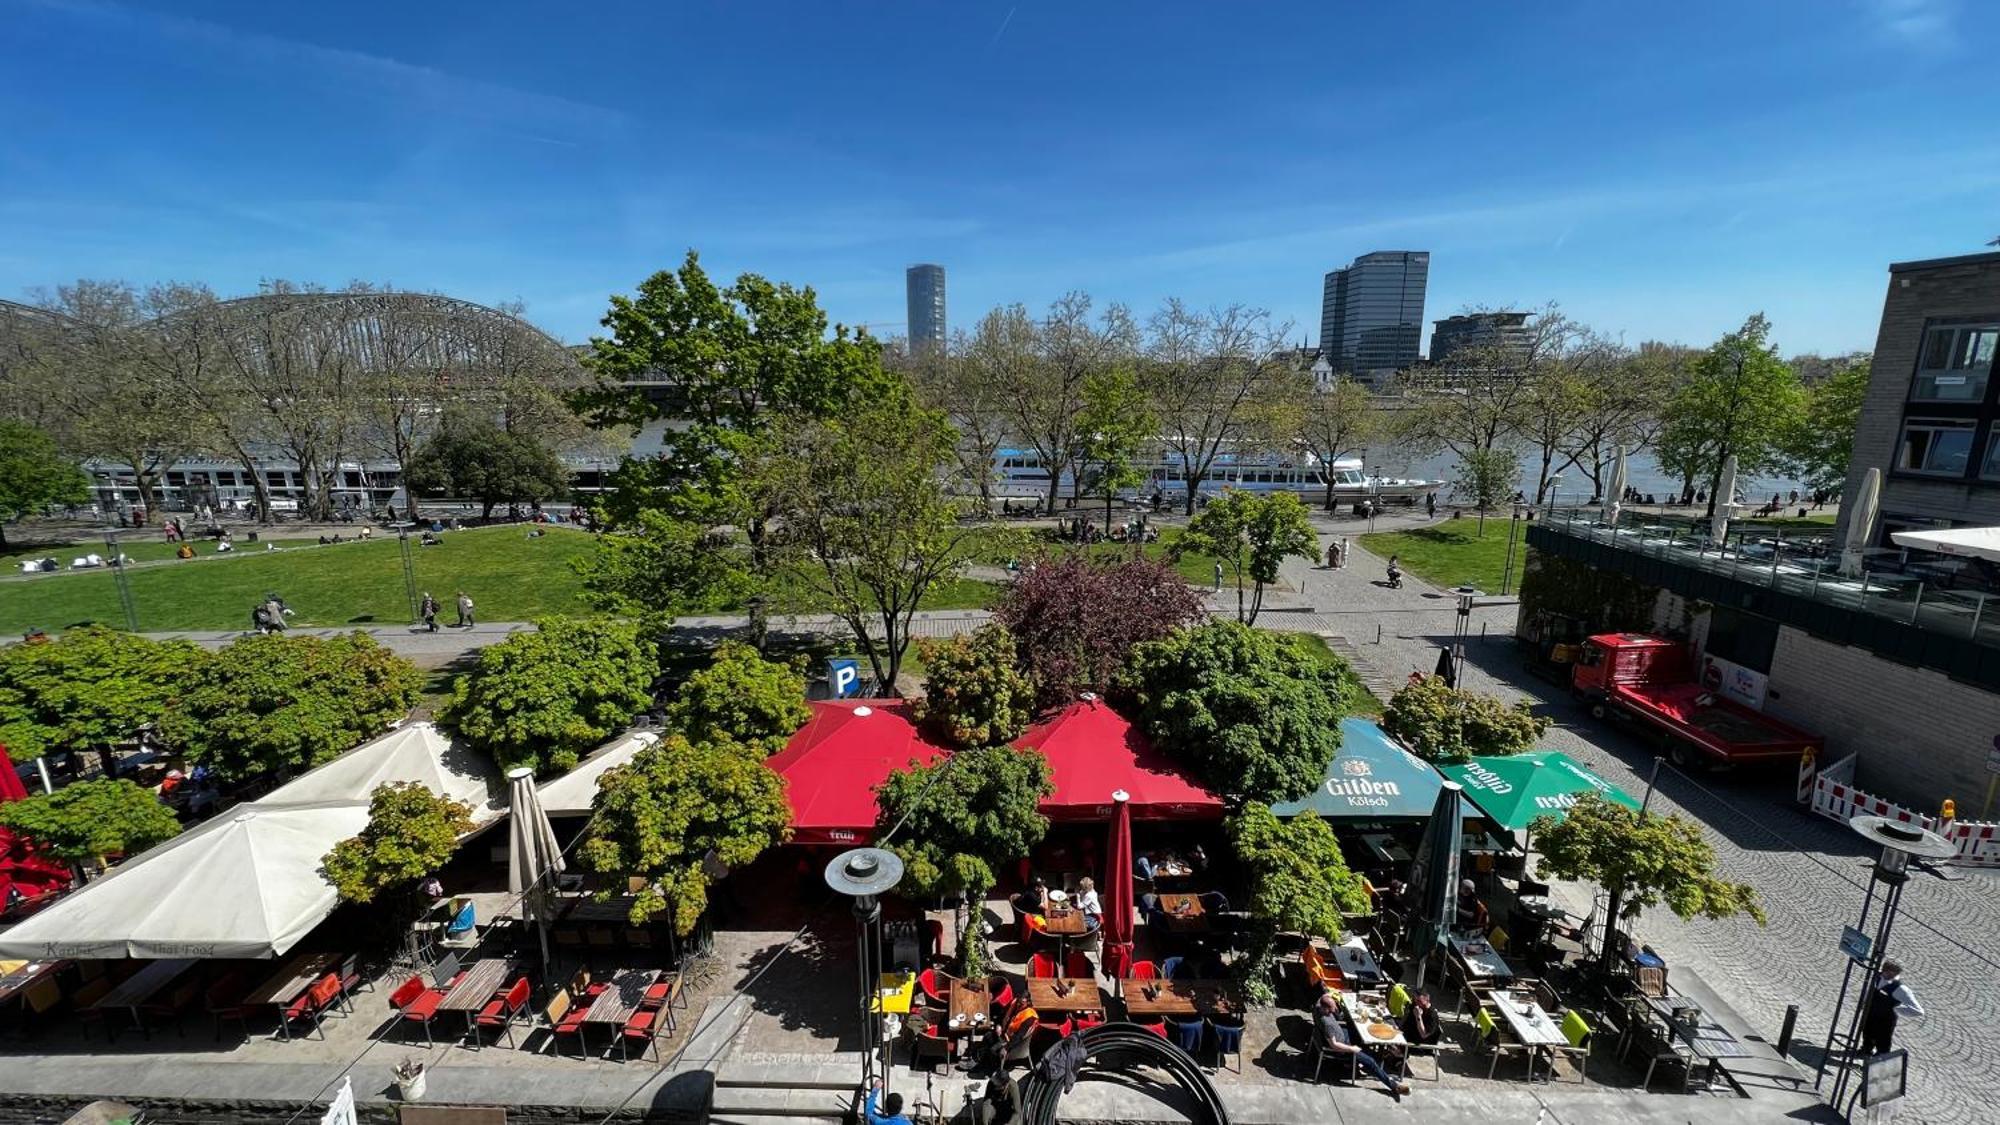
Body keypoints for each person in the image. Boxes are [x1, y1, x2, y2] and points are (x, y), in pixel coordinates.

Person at [1315, 992, 1408, 1101]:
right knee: (1370, 1061)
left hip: (1343, 1034)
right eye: (1331, 1009)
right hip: (1344, 1046)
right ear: (1325, 1008)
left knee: (1360, 1030)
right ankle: (1394, 1086)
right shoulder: (1327, 1024)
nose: (1334, 1010)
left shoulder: (1318, 1007)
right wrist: (1352, 1049)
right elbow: (1334, 1045)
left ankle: (1377, 1058)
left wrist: (1333, 993)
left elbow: (1322, 997)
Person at [1862, 961, 1923, 1057]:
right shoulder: (1877, 976)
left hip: (1885, 1021)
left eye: (1889, 972)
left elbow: (1918, 1011)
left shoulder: (1901, 989)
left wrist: (1897, 1009)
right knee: (1867, 1033)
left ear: (1895, 973)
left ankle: (1879, 1061)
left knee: (1883, 1042)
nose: (1884, 973)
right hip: (1870, 1014)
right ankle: (1866, 1050)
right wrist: (1865, 1002)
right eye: (1884, 971)